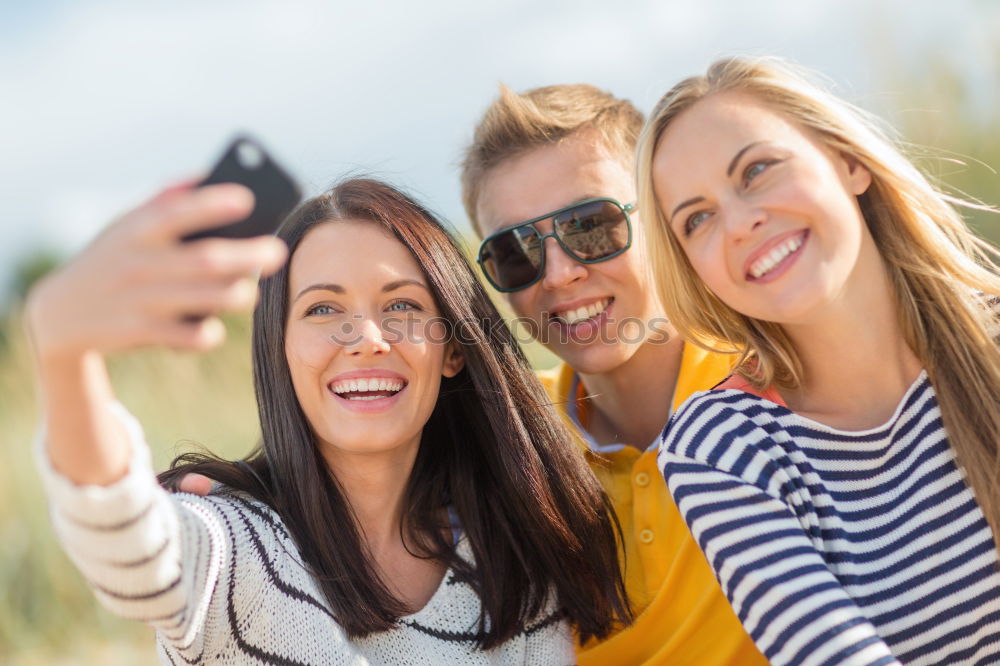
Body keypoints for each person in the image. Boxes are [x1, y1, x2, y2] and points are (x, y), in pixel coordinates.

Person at [27, 177, 631, 664]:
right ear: (280, 350)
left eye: (401, 305)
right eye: (323, 308)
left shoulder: (511, 563)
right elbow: (129, 547)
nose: (367, 339)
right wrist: (64, 355)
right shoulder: (240, 545)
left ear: (452, 348)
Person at [637, 56, 1000, 665]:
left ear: (849, 163)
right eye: (697, 218)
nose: (739, 223)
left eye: (756, 171)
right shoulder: (721, 447)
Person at [461, 85, 768, 664]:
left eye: (590, 225)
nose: (559, 274)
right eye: (515, 251)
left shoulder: (780, 376)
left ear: (661, 217)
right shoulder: (508, 454)